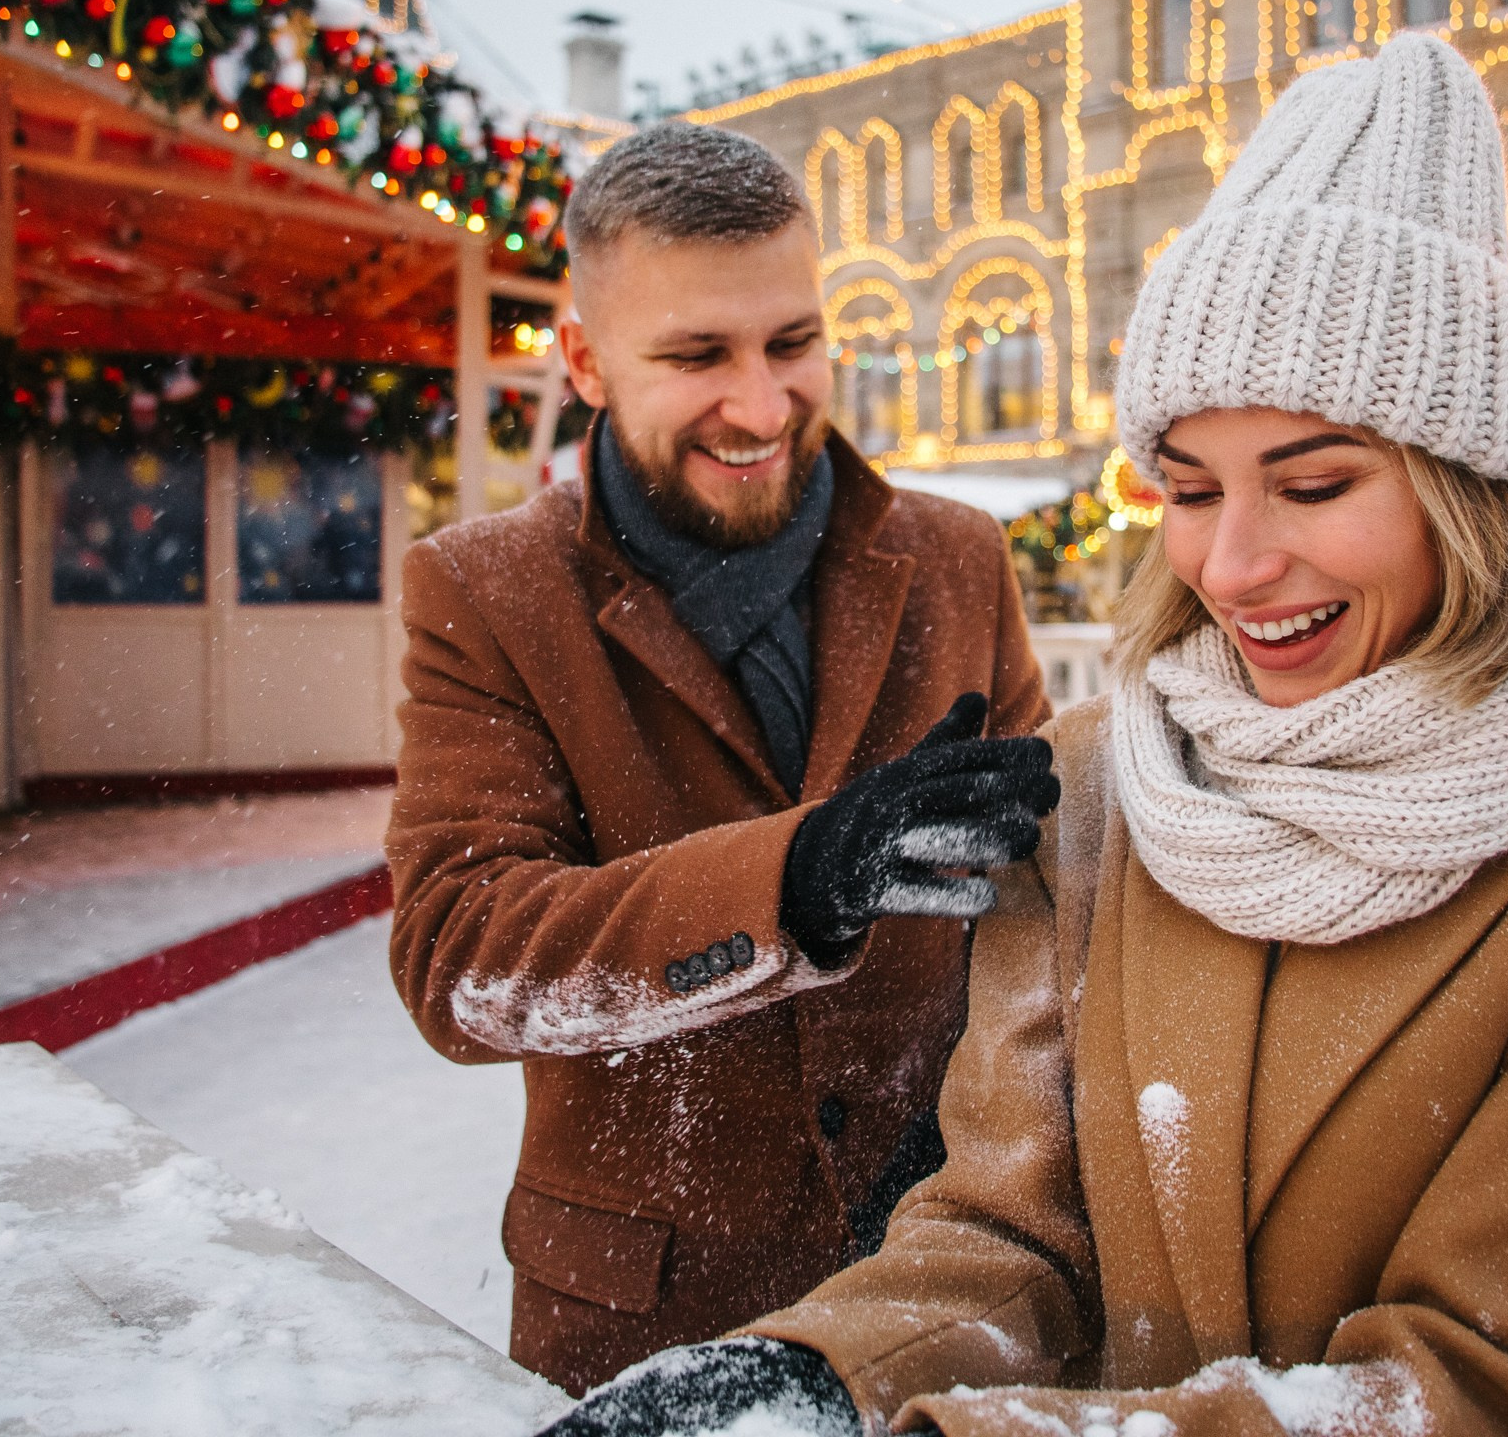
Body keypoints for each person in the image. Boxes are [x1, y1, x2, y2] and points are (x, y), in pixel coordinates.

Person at [536, 36, 1508, 1436]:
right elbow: (1008, 1238)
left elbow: (1481, 1385)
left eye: (1312, 484)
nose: (1236, 564)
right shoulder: (1097, 783)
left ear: (1473, 492)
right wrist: (819, 1372)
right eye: (1189, 490)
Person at [385, 122, 1059, 1395]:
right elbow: (460, 957)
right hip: (647, 1331)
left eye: (791, 344)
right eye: (698, 354)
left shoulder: (961, 556)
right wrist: (792, 882)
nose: (760, 405)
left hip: (942, 1298)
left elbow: (1046, 910)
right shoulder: (483, 590)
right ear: (584, 358)